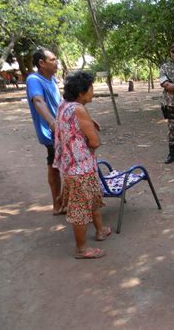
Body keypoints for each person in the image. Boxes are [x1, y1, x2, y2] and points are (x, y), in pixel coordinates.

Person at [53, 71, 111, 259]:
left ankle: (100, 230)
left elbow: (67, 125)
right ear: (81, 92)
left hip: (72, 166)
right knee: (80, 209)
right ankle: (81, 249)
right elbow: (94, 142)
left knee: (92, 198)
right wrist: (90, 129)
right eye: (91, 88)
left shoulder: (64, 105)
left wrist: (88, 121)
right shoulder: (79, 109)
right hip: (80, 169)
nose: (93, 91)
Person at [26, 48, 63, 215]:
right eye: (53, 59)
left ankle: (58, 204)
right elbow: (38, 101)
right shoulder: (34, 80)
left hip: (60, 130)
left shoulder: (52, 79)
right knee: (66, 166)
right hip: (52, 133)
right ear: (41, 63)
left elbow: (61, 102)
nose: (57, 62)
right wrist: (52, 122)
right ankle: (65, 204)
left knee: (53, 165)